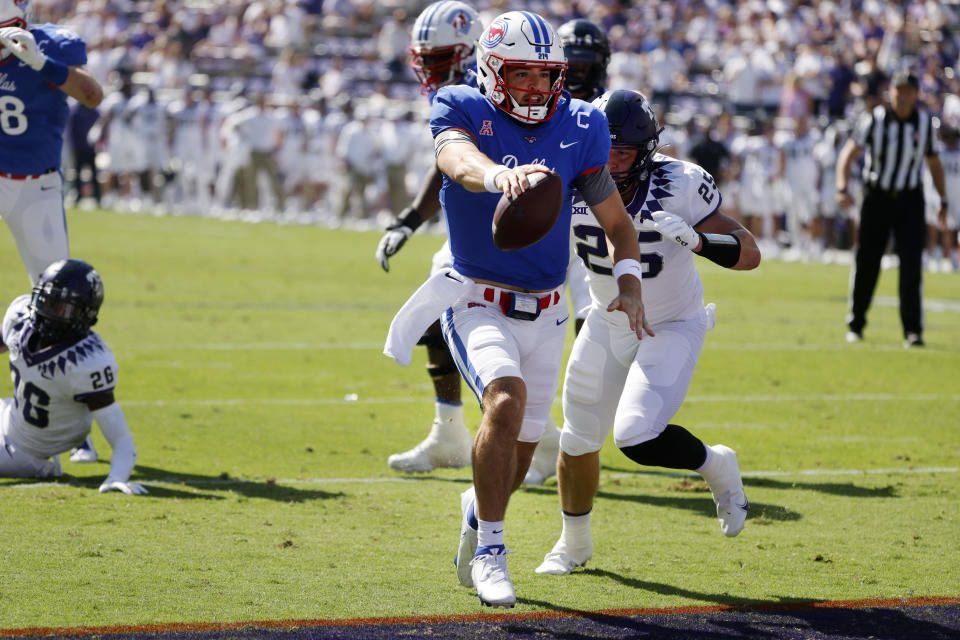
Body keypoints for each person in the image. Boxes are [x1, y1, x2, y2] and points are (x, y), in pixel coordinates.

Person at [386, 11, 652, 608]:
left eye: (544, 74)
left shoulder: (582, 122)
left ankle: (478, 516)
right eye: (521, 74)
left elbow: (617, 224)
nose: (534, 87)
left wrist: (629, 282)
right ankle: (492, 553)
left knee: (525, 442)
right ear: (490, 69)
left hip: (550, 307)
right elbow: (455, 161)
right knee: (504, 404)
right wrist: (498, 175)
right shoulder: (461, 106)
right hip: (475, 296)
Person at [535, 89, 760, 577]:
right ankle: (573, 545)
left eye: (623, 152)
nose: (612, 162)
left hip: (672, 325)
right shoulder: (566, 174)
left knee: (635, 434)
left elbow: (749, 252)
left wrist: (699, 241)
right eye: (605, 147)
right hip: (606, 318)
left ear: (647, 150)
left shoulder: (680, 183)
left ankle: (717, 465)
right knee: (577, 437)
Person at [375, 1, 483, 474]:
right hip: (473, 225)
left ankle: (538, 438)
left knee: (504, 335)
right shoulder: (457, 92)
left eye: (438, 57)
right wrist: (408, 220)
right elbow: (444, 160)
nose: (429, 68)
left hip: (513, 226)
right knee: (434, 319)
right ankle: (450, 432)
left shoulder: (491, 92)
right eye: (426, 57)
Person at [0, 1, 104, 463]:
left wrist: (43, 64)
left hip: (37, 188)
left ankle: (73, 426)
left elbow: (92, 95)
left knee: (58, 306)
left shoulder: (52, 45)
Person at [521, 17, 612, 488]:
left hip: (590, 238)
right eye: (567, 64)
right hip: (546, 233)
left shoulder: (607, 111)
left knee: (590, 339)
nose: (575, 73)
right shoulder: (541, 107)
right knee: (528, 334)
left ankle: (575, 441)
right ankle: (546, 440)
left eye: (583, 64)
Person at [0, 259, 147, 496]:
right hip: (9, 417)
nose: (48, 313)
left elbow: (121, 438)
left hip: (28, 451)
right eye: (45, 301)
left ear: (85, 314)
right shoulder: (20, 316)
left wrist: (117, 477)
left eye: (62, 309)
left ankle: (51, 465)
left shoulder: (89, 361)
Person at [836, 71, 947, 347]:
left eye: (909, 90)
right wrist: (841, 186)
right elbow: (849, 154)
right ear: (891, 92)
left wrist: (943, 200)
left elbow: (934, 164)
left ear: (916, 94)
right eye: (900, 90)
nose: (904, 95)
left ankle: (913, 330)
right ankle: (856, 322)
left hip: (910, 199)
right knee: (867, 261)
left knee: (911, 264)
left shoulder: (924, 123)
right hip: (877, 197)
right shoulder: (874, 120)